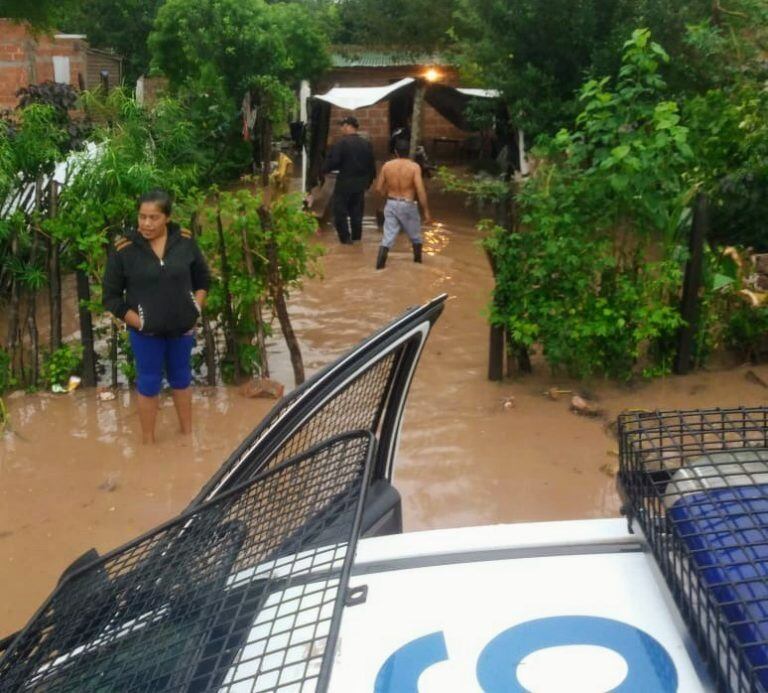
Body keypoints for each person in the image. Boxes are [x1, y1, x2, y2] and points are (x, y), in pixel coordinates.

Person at [102, 189, 210, 444]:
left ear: (167, 218)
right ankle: (148, 443)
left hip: (181, 330)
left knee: (182, 380)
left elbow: (203, 280)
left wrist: (196, 309)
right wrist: (139, 322)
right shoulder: (124, 249)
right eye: (142, 217)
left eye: (154, 218)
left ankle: (187, 437)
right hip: (146, 334)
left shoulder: (185, 241)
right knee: (149, 383)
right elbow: (111, 297)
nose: (147, 224)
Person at [374, 138, 432, 269]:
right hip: (408, 204)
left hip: (391, 203)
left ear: (395, 152)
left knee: (387, 237)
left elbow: (378, 189)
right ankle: (418, 266)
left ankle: (379, 267)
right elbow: (420, 189)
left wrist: (387, 192)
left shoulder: (387, 166)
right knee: (416, 237)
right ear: (409, 152)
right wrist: (426, 211)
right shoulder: (414, 167)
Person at [322, 115, 376, 244]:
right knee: (357, 213)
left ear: (347, 126)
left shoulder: (341, 143)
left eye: (342, 126)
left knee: (339, 212)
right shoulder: (366, 144)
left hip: (344, 184)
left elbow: (333, 162)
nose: (341, 128)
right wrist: (368, 183)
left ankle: (345, 240)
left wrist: (323, 169)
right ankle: (357, 239)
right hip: (360, 185)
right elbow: (372, 166)